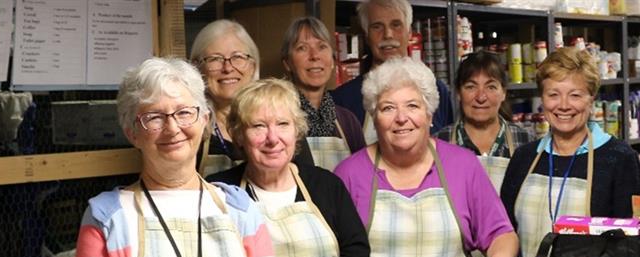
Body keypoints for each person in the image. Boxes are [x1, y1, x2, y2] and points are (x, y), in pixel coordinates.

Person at [74, 57, 280, 257]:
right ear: (132, 133)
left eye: (184, 112)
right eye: (154, 117)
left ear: (204, 120)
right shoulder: (107, 217)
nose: (172, 128)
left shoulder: (240, 209)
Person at [334, 57, 521, 257]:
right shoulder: (349, 174)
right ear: (375, 118)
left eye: (412, 106)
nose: (401, 118)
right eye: (388, 108)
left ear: (429, 114)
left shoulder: (462, 165)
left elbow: (499, 233)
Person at [206, 79, 370, 257]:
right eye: (259, 126)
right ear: (240, 135)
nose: (273, 138)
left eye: (283, 124)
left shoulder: (326, 185)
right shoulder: (219, 192)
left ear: (296, 131)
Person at [499, 47, 640, 257]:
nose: (564, 105)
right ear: (543, 99)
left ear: (591, 99)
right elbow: (504, 229)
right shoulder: (524, 158)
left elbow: (626, 247)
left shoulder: (620, 159)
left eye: (575, 95)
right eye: (553, 95)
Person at [190, 19, 314, 175]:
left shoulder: (283, 121)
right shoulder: (190, 128)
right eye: (215, 59)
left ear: (253, 65)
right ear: (196, 67)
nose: (228, 68)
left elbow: (308, 179)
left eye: (238, 57)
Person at [334, 0, 454, 143]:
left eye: (396, 25)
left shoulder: (437, 91)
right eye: (377, 27)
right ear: (366, 36)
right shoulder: (342, 99)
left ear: (409, 32)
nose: (388, 35)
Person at [434, 52, 532, 193]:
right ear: (458, 93)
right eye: (471, 87)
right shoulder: (438, 144)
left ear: (503, 92)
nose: (481, 97)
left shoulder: (525, 143)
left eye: (491, 87)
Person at [281, 17, 366, 170]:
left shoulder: (347, 121)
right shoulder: (279, 117)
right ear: (287, 63)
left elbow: (362, 177)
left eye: (322, 47)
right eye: (302, 48)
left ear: (333, 61)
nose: (314, 56)